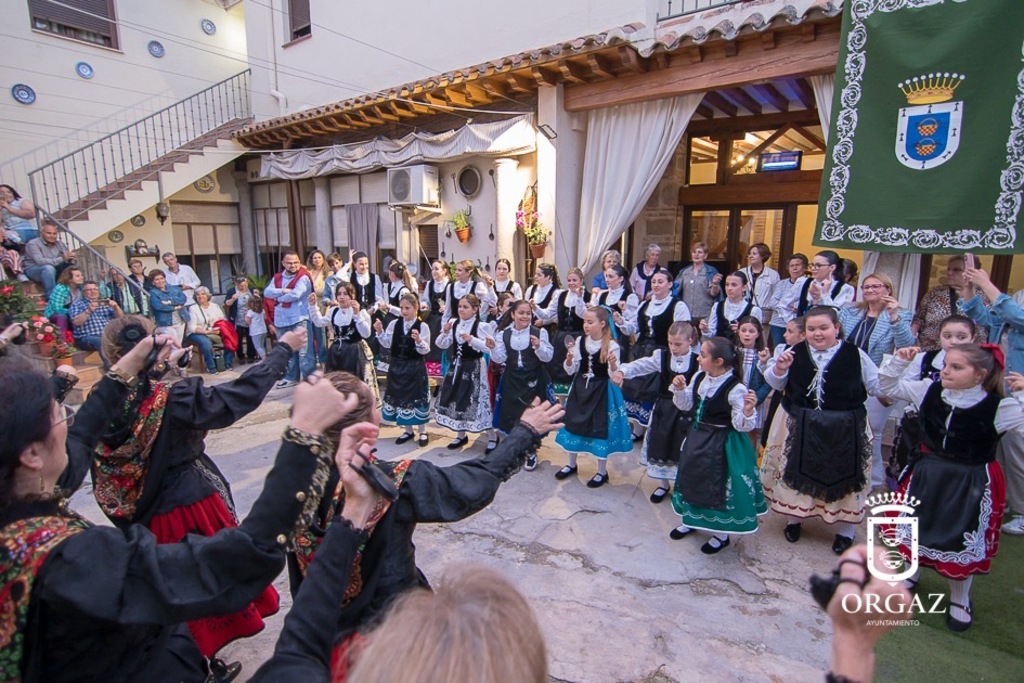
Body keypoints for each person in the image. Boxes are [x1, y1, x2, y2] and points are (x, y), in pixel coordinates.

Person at [0, 330, 359, 683]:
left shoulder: (19, 498)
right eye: (61, 415)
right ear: (31, 455)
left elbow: (85, 431)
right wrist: (304, 435)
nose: (70, 424)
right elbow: (236, 559)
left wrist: (128, 366)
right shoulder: (72, 563)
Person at [256, 379, 563, 682]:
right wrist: (525, 431)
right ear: (364, 427)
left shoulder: (292, 483)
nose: (380, 412)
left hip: (318, 633)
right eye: (375, 405)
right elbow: (470, 485)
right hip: (396, 637)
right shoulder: (391, 481)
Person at [92, 316, 308, 673]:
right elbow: (237, 396)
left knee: (166, 588)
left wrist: (164, 370)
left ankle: (191, 664)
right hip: (186, 504)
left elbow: (137, 399)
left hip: (142, 508)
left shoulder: (104, 400)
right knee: (202, 583)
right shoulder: (171, 399)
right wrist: (283, 349)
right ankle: (197, 667)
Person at [879, 344, 1024, 631]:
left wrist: (1021, 395)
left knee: (958, 537)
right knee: (916, 527)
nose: (945, 371)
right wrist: (899, 362)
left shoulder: (999, 406)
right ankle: (910, 574)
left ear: (980, 374)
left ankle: (960, 598)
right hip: (928, 474)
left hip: (969, 482)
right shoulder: (928, 390)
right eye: (946, 364)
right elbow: (886, 387)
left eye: (956, 367)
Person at [761, 306, 879, 554]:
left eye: (824, 328)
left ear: (836, 328)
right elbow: (775, 383)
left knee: (844, 476)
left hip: (844, 426)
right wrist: (779, 368)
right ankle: (794, 520)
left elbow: (875, 384)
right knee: (795, 472)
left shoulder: (855, 354)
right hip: (800, 422)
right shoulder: (793, 352)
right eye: (811, 329)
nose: (817, 333)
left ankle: (845, 531)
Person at [668, 336, 764, 554]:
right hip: (697, 437)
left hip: (722, 443)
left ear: (718, 361)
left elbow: (740, 425)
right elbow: (686, 405)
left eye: (703, 355)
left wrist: (748, 411)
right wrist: (680, 389)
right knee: (693, 477)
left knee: (716, 486)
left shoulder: (736, 388)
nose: (698, 358)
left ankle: (721, 534)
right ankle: (691, 520)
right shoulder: (700, 376)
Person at [958, 266, 1024, 537]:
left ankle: (1022, 512)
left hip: (1021, 391)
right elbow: (985, 317)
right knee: (998, 450)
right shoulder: (1015, 302)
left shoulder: (1015, 310)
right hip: (1000, 389)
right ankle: (1004, 499)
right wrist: (969, 289)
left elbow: (1016, 315)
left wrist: (986, 284)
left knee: (1019, 454)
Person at [838, 272, 915, 489]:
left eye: (876, 286)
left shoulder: (902, 314)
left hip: (879, 378)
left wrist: (894, 316)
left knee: (872, 431)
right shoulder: (851, 311)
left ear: (888, 289)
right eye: (866, 287)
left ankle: (873, 480)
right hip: (848, 376)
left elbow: (905, 345)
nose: (870, 290)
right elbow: (837, 336)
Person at [613, 321, 699, 502]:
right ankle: (663, 484)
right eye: (670, 343)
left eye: (678, 344)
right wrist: (622, 371)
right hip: (664, 408)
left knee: (682, 448)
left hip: (687, 412)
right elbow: (641, 365)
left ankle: (681, 485)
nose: (673, 348)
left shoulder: (697, 362)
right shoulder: (662, 356)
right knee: (661, 444)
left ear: (690, 341)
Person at [885, 314, 977, 484]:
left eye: (961, 337)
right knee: (907, 475)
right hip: (918, 426)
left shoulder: (980, 366)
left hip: (959, 432)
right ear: (939, 335)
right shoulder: (924, 360)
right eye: (947, 336)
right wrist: (899, 364)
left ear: (973, 338)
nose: (954, 341)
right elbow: (900, 387)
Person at [553, 306, 632, 488]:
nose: (586, 325)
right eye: (584, 322)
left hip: (602, 391)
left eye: (590, 322)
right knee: (574, 422)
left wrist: (613, 365)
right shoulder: (580, 341)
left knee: (599, 427)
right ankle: (571, 464)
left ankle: (601, 471)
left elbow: (614, 376)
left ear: (602, 324)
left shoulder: (611, 346)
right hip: (580, 388)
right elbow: (571, 370)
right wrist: (569, 360)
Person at [487, 299, 556, 471]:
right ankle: (515, 450)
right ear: (512, 314)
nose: (525, 316)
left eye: (528, 313)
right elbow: (500, 358)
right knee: (512, 414)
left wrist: (538, 347)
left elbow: (548, 357)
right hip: (512, 379)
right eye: (521, 313)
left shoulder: (539, 332)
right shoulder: (504, 334)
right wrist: (493, 348)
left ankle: (531, 452)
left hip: (534, 379)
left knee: (531, 415)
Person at [621, 269, 690, 435]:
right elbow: (633, 328)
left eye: (660, 282)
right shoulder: (644, 305)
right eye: (653, 282)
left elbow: (683, 331)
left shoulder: (677, 306)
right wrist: (621, 321)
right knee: (635, 390)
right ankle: (637, 429)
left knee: (654, 392)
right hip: (640, 351)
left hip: (663, 352)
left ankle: (652, 430)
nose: (656, 285)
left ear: (670, 284)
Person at [435, 294, 495, 448]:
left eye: (465, 307)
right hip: (457, 366)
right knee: (458, 398)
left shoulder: (482, 326)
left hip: (475, 367)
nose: (461, 309)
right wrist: (445, 332)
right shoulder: (454, 323)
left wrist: (472, 340)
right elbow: (441, 344)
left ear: (475, 310)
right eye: (460, 306)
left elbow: (489, 349)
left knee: (478, 400)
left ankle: (492, 436)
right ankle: (460, 435)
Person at [375, 292, 431, 446]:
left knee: (416, 397)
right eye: (402, 308)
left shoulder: (422, 326)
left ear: (416, 307)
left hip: (414, 367)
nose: (404, 311)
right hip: (397, 366)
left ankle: (422, 431)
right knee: (401, 398)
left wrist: (418, 340)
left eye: (407, 308)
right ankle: (408, 430)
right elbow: (387, 343)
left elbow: (426, 350)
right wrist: (380, 331)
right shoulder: (395, 324)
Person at [307, 284, 379, 401]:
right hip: (336, 353)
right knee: (336, 383)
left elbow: (366, 334)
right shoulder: (334, 311)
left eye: (345, 294)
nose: (342, 297)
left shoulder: (361, 312)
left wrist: (357, 315)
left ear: (352, 296)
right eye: (339, 294)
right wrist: (313, 306)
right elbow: (319, 322)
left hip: (354, 353)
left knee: (354, 383)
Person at [265, 251, 317, 388]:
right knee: (287, 350)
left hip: (300, 317)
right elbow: (267, 293)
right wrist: (283, 291)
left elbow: (296, 294)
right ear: (283, 263)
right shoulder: (277, 277)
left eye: (296, 262)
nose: (293, 265)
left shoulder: (304, 276)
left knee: (305, 352)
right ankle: (291, 377)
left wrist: (278, 298)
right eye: (289, 263)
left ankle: (309, 379)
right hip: (281, 319)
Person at [912, 256, 982, 351]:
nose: (949, 273)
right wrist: (910, 343)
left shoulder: (982, 297)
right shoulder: (934, 293)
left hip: (966, 353)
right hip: (930, 352)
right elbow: (918, 320)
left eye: (956, 270)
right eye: (948, 269)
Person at [548, 266, 591, 393]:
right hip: (561, 338)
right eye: (569, 280)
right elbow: (548, 314)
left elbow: (585, 315)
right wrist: (535, 308)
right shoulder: (561, 296)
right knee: (559, 367)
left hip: (579, 336)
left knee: (576, 365)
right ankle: (560, 398)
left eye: (574, 280)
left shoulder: (589, 297)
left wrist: (580, 298)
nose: (571, 283)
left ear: (581, 281)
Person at [735, 316, 771, 447]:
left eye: (751, 331)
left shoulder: (762, 355)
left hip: (753, 399)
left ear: (758, 334)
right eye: (743, 330)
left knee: (750, 433)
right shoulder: (733, 353)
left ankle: (750, 458)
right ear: (738, 332)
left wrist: (757, 398)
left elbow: (768, 382)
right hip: (735, 399)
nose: (747, 334)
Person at [68, 280, 122, 365]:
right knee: (100, 341)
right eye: (89, 290)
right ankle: (112, 369)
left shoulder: (105, 303)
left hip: (106, 335)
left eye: (95, 289)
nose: (93, 292)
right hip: (86, 338)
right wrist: (88, 311)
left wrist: (116, 307)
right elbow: (76, 322)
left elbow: (121, 319)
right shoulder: (77, 304)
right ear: (84, 292)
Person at [186, 286, 235, 374]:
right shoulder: (193, 308)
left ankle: (227, 363)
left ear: (208, 296)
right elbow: (192, 327)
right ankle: (211, 367)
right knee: (206, 343)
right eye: (197, 295)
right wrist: (207, 332)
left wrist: (219, 329)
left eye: (203, 294)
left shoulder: (215, 306)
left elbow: (223, 320)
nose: (200, 296)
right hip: (197, 333)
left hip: (214, 330)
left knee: (230, 337)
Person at [702, 271, 762, 342]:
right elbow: (712, 333)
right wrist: (705, 329)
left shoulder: (753, 310)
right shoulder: (717, 306)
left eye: (734, 285)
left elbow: (757, 337)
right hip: (720, 347)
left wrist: (741, 331)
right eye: (727, 285)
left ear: (744, 287)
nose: (729, 288)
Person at [21, 221, 76, 299]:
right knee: (48, 268)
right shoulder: (33, 244)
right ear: (41, 233)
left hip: (54, 268)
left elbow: (66, 258)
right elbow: (40, 262)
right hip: (33, 269)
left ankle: (74, 294)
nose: (52, 236)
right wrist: (62, 258)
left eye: (54, 234)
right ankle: (51, 297)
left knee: (73, 268)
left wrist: (71, 258)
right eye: (49, 233)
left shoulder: (60, 244)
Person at [765, 254, 808, 348]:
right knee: (779, 349)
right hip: (778, 323)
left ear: (804, 267)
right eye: (791, 266)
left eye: (797, 265)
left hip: (799, 324)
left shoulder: (809, 284)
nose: (794, 268)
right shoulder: (782, 283)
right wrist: (786, 306)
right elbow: (771, 303)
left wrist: (799, 308)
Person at [675, 241, 722, 323]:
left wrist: (715, 284)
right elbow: (675, 290)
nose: (696, 254)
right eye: (694, 252)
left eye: (699, 252)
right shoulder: (684, 272)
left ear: (705, 255)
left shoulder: (710, 271)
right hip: (687, 315)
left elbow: (714, 294)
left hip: (705, 315)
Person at [797, 250, 855, 314]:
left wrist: (825, 294)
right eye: (812, 265)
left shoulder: (845, 288)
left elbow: (835, 314)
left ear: (832, 267)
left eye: (818, 265)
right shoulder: (805, 282)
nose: (813, 268)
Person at [421, 259, 451, 377]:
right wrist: (424, 305)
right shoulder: (430, 284)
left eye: (437, 269)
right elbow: (426, 300)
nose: (434, 271)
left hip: (446, 319)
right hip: (433, 319)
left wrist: (447, 308)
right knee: (432, 343)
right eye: (433, 269)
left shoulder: (450, 285)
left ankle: (442, 369)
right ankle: (431, 370)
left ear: (444, 271)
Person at [739, 243, 779, 322]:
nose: (750, 256)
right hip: (743, 313)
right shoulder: (741, 273)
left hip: (763, 315)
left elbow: (776, 296)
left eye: (754, 254)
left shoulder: (773, 275)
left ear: (762, 256)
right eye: (749, 254)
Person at [149, 268, 189, 346]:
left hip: (180, 319)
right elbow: (158, 306)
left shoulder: (175, 288)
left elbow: (183, 299)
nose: (160, 281)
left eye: (162, 278)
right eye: (157, 279)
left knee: (178, 344)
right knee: (173, 345)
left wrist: (169, 302)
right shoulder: (153, 292)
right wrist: (174, 308)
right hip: (165, 323)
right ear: (153, 282)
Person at [225, 277, 257, 364]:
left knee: (250, 336)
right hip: (238, 318)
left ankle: (251, 355)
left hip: (250, 317)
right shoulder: (232, 291)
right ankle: (241, 356)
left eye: (245, 285)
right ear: (236, 284)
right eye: (241, 286)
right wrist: (233, 299)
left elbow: (257, 302)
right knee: (238, 338)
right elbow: (227, 304)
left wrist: (256, 296)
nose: (243, 287)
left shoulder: (251, 290)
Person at [307, 250, 331, 364]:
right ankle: (311, 362)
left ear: (323, 259)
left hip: (322, 307)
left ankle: (323, 362)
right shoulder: (308, 273)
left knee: (321, 336)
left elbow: (327, 292)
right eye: (314, 258)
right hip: (308, 307)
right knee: (309, 336)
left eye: (319, 257)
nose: (317, 260)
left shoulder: (328, 274)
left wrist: (314, 292)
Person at [43, 266, 83, 333]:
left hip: (74, 312)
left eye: (81, 275)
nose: (82, 277)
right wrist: (74, 312)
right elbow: (57, 308)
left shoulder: (81, 288)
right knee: (61, 316)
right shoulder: (61, 288)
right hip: (56, 313)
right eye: (77, 276)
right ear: (69, 279)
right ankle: (62, 338)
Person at [524, 263, 561, 331]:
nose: (535, 277)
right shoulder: (531, 289)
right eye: (535, 274)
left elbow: (551, 315)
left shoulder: (556, 292)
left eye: (539, 275)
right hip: (529, 328)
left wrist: (545, 321)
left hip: (547, 329)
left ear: (548, 277)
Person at [246, 294, 269, 360]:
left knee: (258, 347)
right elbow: (265, 318)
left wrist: (245, 314)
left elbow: (248, 321)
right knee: (262, 346)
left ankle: (264, 359)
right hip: (263, 330)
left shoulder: (250, 312)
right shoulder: (262, 310)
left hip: (255, 331)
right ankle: (264, 358)